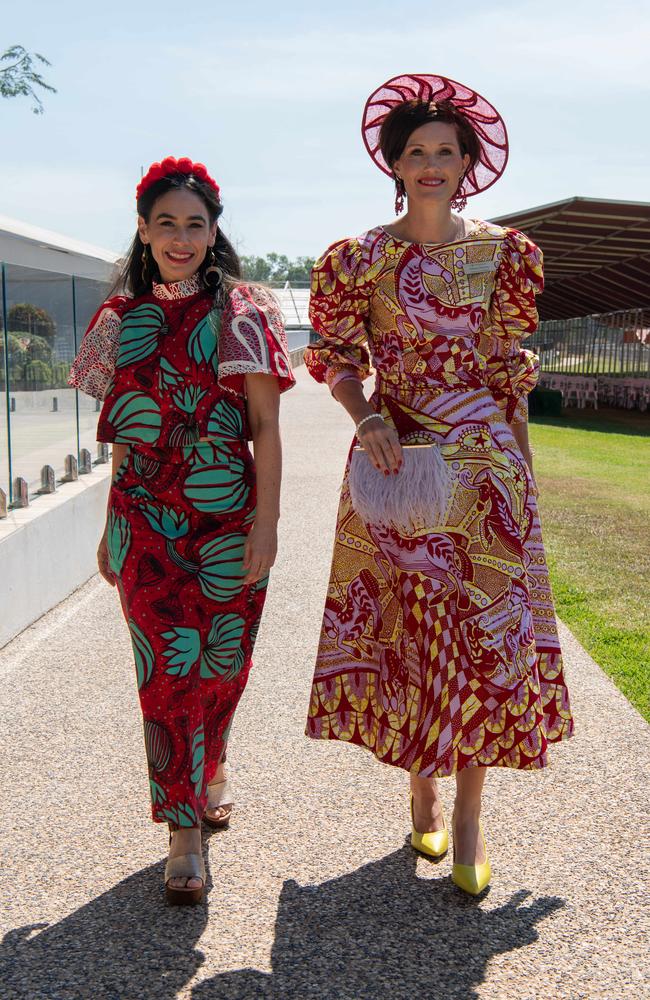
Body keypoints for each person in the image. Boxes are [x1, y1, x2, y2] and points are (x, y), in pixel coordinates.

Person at [304, 75, 573, 895]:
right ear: (396, 163)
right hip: (400, 467)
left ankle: (468, 816)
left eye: (444, 152)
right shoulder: (361, 259)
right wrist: (365, 416)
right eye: (416, 152)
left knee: (485, 638)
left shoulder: (504, 254)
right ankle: (420, 782)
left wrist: (522, 472)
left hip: (484, 469)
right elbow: (339, 361)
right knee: (412, 632)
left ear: (468, 163)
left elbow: (504, 374)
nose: (431, 165)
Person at [69, 156, 294, 905]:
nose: (180, 237)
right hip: (145, 524)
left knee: (222, 665)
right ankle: (183, 832)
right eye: (165, 222)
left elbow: (265, 425)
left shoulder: (246, 311)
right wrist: (110, 528)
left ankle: (213, 763)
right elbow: (125, 438)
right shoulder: (117, 322)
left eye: (195, 224)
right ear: (142, 228)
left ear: (213, 232)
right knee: (166, 672)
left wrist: (267, 526)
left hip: (229, 520)